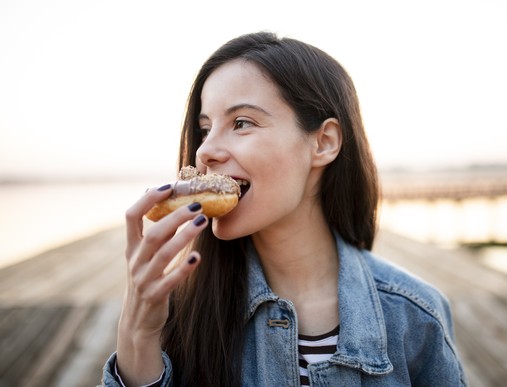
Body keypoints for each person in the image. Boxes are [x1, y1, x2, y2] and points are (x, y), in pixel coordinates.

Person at [101, 31, 467, 386]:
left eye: (241, 123)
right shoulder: (177, 313)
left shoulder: (415, 316)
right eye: (205, 128)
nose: (205, 152)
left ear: (323, 143)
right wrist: (138, 335)